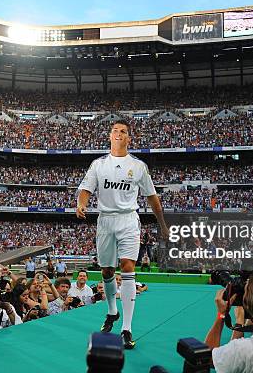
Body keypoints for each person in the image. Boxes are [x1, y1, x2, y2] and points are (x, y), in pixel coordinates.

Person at [77, 119, 169, 349]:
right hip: (105, 221)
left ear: (129, 138)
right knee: (107, 271)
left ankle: (126, 328)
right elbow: (86, 189)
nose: (119, 134)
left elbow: (152, 197)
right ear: (110, 136)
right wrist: (81, 204)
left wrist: (163, 224)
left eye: (124, 132)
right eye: (115, 130)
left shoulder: (138, 166)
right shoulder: (98, 164)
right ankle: (112, 311)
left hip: (128, 220)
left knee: (128, 267)